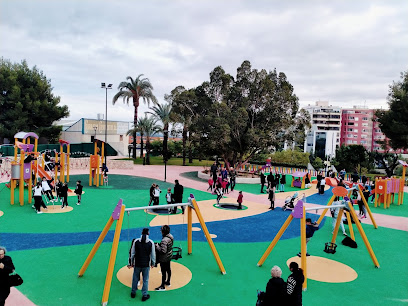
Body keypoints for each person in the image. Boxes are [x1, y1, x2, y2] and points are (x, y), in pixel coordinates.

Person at [128, 228, 156, 301]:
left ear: (142, 233)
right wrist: (153, 263)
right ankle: (144, 295)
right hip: (146, 264)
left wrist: (131, 263)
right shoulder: (151, 242)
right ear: (148, 233)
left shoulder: (136, 241)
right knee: (145, 280)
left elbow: (132, 253)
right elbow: (153, 255)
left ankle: (133, 292)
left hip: (137, 263)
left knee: (135, 278)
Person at [155, 225, 174, 291]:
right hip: (169, 255)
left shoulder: (164, 240)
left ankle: (162, 286)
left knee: (163, 272)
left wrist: (157, 246)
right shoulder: (171, 236)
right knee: (168, 269)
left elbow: (163, 251)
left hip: (164, 258)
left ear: (163, 232)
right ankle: (168, 281)